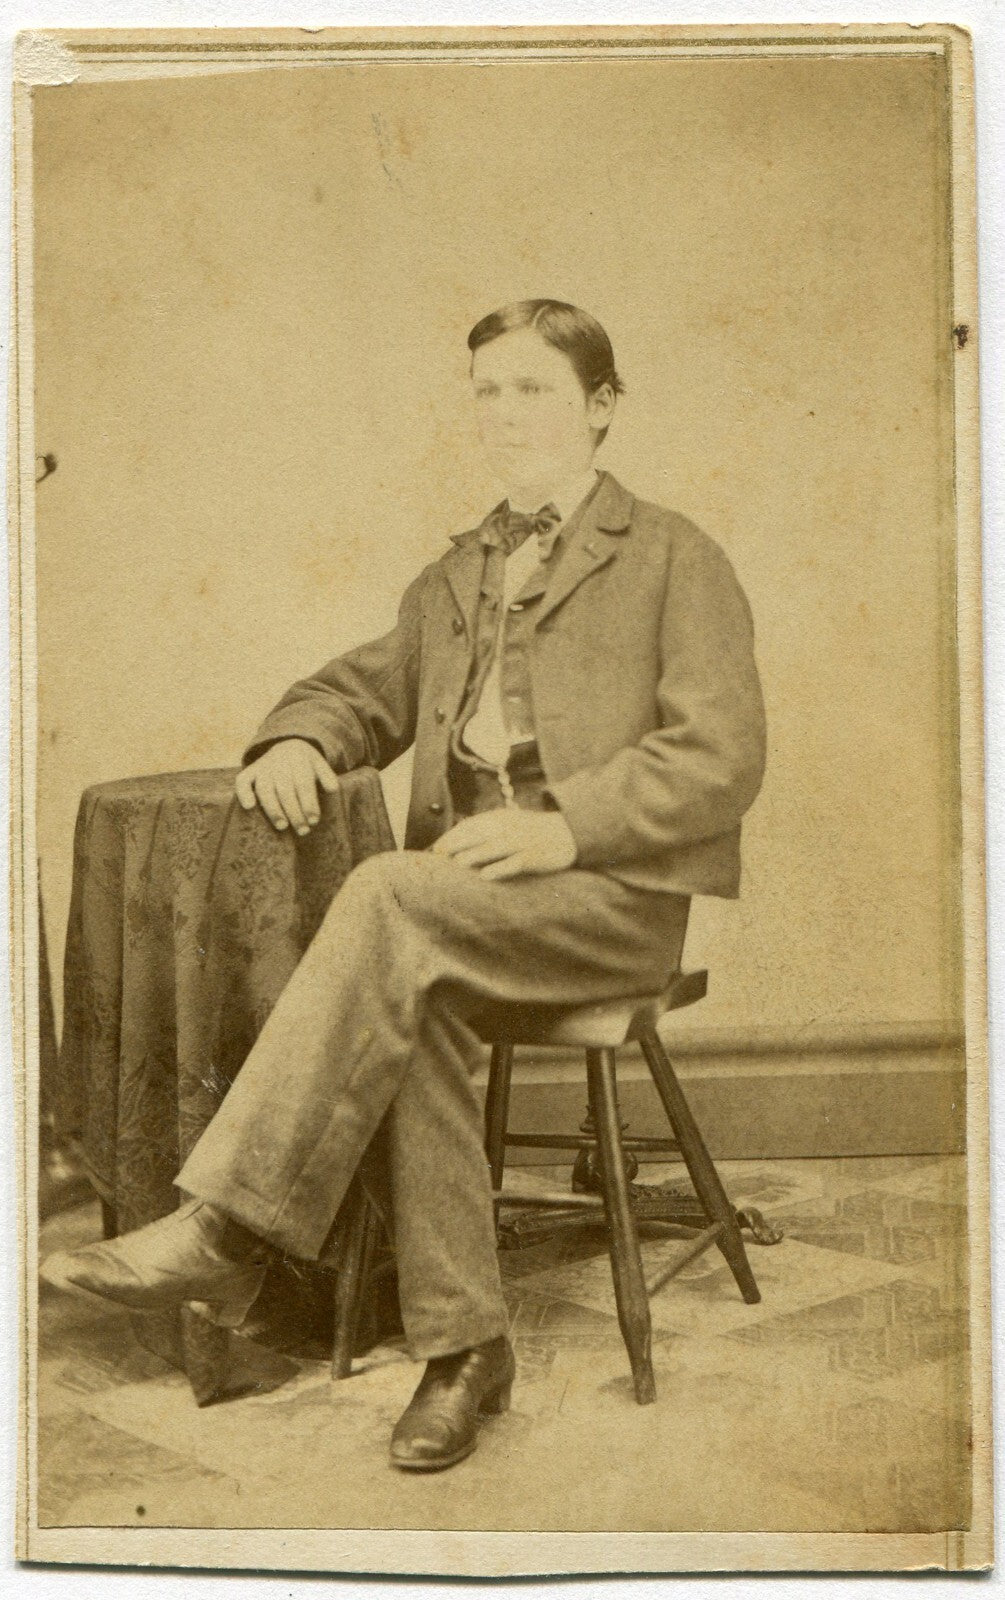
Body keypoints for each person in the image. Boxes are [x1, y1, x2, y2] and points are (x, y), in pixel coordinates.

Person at [43, 299, 767, 1471]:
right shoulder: (458, 573)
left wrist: (559, 829)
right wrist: (298, 741)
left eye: (533, 388)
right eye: (487, 390)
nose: (505, 413)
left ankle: (229, 1225)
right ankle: (464, 1350)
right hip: (461, 917)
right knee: (412, 986)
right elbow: (364, 691)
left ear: (600, 406)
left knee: (382, 895)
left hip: (607, 907)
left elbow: (722, 755)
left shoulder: (676, 555)